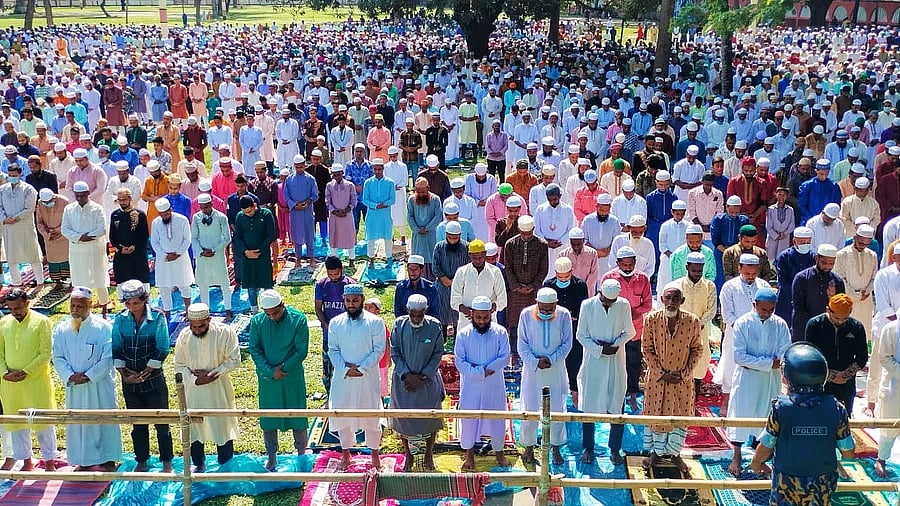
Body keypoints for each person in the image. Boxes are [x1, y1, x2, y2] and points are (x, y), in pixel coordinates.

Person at [749, 343, 855, 505]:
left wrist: (756, 463)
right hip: (822, 483)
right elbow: (848, 452)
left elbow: (766, 445)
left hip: (786, 483)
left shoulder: (781, 408)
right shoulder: (837, 408)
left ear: (787, 378)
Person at [51, 286, 121, 471]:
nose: (75, 310)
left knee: (103, 419)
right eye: (72, 306)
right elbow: (57, 357)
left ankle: (107, 459)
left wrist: (89, 376)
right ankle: (83, 459)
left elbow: (108, 357)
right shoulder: (62, 329)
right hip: (75, 386)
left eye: (80, 306)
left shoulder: (103, 328)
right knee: (79, 422)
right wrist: (69, 375)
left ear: (90, 305)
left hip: (98, 386)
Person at [726, 287, 791, 476]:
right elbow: (739, 357)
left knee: (767, 417)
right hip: (746, 380)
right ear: (754, 305)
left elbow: (784, 353)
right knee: (740, 415)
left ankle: (759, 458)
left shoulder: (779, 324)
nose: (767, 313)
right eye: (763, 309)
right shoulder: (742, 323)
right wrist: (770, 363)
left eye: (771, 310)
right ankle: (736, 457)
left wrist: (765, 364)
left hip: (770, 381)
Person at [112, 279, 174, 473]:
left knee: (162, 423)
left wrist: (147, 371)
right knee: (138, 424)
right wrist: (124, 374)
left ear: (144, 300)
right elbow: (116, 347)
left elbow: (163, 347)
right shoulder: (120, 319)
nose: (132, 307)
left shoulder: (157, 317)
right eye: (128, 304)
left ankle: (167, 461)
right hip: (130, 381)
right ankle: (141, 460)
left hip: (154, 379)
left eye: (136, 303)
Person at [641, 285, 702, 473]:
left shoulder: (692, 321)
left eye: (675, 299)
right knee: (655, 415)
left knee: (679, 416)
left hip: (681, 381)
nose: (671, 302)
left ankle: (675, 454)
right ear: (661, 299)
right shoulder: (651, 320)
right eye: (668, 298)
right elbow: (647, 349)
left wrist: (684, 374)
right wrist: (662, 373)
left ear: (681, 301)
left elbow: (697, 349)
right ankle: (655, 453)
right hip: (658, 380)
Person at [174, 303, 241, 472]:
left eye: (201, 326)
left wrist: (212, 375)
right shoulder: (184, 336)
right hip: (193, 391)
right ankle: (198, 463)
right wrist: (195, 380)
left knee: (221, 424)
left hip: (218, 388)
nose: (197, 329)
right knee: (194, 426)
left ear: (209, 319)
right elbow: (179, 365)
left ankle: (225, 464)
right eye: (193, 326)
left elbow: (234, 360)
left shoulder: (225, 332)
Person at [247, 289, 310, 471]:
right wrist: (270, 371)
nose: (273, 317)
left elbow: (301, 351)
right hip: (268, 380)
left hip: (291, 376)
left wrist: (283, 369)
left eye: (276, 312)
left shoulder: (298, 319)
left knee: (297, 416)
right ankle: (272, 456)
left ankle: (301, 454)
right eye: (269, 314)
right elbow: (255, 349)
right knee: (269, 418)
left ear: (283, 305)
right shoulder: (258, 322)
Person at [577, 279, 636, 465]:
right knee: (589, 405)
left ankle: (614, 448)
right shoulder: (587, 305)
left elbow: (630, 332)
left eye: (612, 301)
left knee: (617, 403)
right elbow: (581, 335)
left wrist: (615, 345)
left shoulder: (623, 305)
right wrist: (600, 349)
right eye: (605, 300)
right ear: (599, 293)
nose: (608, 304)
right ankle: (588, 447)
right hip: (593, 362)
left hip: (616, 361)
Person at [327, 283, 385, 470]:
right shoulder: (336, 323)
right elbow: (333, 350)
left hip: (367, 377)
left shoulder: (375, 322)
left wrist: (362, 368)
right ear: (344, 301)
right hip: (343, 378)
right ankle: (346, 454)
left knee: (371, 415)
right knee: (342, 414)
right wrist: (345, 370)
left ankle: (374, 455)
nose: (351, 304)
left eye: (355, 300)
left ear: (362, 300)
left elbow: (379, 350)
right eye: (348, 301)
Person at [0, 288, 57, 471]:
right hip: (10, 384)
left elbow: (45, 353)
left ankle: (49, 462)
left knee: (42, 422)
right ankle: (26, 461)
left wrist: (26, 371)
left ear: (27, 303)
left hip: (35, 381)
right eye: (11, 308)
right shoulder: (4, 323)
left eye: (18, 307)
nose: (15, 312)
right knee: (17, 424)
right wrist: (4, 373)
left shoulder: (42, 321)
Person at [388, 294, 446, 472]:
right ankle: (408, 455)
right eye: (412, 315)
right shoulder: (399, 325)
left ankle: (429, 453)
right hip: (403, 381)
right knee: (403, 419)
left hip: (427, 381)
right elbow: (395, 352)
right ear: (407, 311)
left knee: (431, 418)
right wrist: (406, 375)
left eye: (419, 315)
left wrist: (422, 377)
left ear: (425, 311)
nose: (415, 318)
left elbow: (438, 354)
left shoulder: (435, 326)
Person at [454, 295, 512, 471]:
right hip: (471, 385)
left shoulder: (500, 332)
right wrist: (480, 372)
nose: (481, 321)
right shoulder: (463, 334)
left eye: (485, 317)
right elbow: (459, 361)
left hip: (494, 384)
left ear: (490, 314)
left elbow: (504, 357)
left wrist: (488, 370)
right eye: (478, 317)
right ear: (471, 314)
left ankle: (499, 454)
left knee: (497, 418)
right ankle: (469, 456)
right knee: (470, 418)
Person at [517, 287, 572, 465]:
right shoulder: (526, 315)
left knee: (556, 409)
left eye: (550, 309)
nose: (547, 312)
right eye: (543, 309)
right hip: (533, 371)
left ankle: (555, 447)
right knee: (530, 408)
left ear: (556, 304)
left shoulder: (563, 315)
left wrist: (551, 359)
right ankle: (529, 447)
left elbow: (567, 343)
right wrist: (535, 362)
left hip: (555, 370)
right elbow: (522, 343)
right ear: (537, 303)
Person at [717, 254, 772, 417]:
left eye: (753, 274)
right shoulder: (729, 287)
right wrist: (743, 330)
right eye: (747, 274)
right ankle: (726, 402)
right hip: (735, 334)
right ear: (739, 269)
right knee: (730, 367)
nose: (750, 277)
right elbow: (727, 315)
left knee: (756, 368)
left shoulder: (764, 286)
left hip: (759, 334)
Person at [601, 246, 653, 413]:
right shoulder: (608, 278)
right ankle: (612, 395)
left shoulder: (643, 279)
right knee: (613, 364)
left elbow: (648, 304)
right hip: (614, 330)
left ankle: (631, 393)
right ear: (617, 263)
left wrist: (633, 312)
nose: (628, 267)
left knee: (633, 363)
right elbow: (603, 303)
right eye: (624, 264)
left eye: (631, 264)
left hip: (635, 330)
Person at [804, 294, 868, 412]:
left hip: (846, 383)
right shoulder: (815, 325)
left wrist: (845, 375)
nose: (840, 321)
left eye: (845, 318)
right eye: (837, 318)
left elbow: (862, 357)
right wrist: (831, 376)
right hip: (820, 382)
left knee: (843, 419)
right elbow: (810, 356)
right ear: (828, 310)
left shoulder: (856, 327)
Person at [666, 252, 717, 398]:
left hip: (700, 331)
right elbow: (671, 308)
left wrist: (697, 324)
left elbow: (711, 310)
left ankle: (692, 401)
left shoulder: (709, 286)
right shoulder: (676, 286)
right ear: (687, 267)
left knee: (700, 362)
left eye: (700, 270)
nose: (697, 273)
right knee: (678, 362)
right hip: (679, 331)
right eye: (694, 270)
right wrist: (683, 325)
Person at [61, 180, 111, 314]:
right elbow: (64, 229)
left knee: (99, 276)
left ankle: (104, 305)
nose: (79, 198)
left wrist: (88, 236)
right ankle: (82, 307)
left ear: (88, 193)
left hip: (94, 248)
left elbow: (102, 228)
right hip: (77, 249)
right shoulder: (69, 209)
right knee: (79, 277)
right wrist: (79, 237)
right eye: (77, 195)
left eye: (82, 195)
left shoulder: (97, 208)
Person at [503, 215, 549, 359]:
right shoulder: (510, 244)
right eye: (523, 233)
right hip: (515, 291)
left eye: (529, 233)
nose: (526, 236)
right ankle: (515, 355)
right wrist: (516, 286)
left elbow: (544, 269)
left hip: (533, 291)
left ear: (533, 229)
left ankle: (533, 353)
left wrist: (533, 286)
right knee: (514, 323)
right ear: (518, 229)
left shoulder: (541, 244)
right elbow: (508, 267)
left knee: (533, 321)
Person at [0, 164, 44, 288]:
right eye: (10, 175)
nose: (12, 177)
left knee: (33, 255)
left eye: (15, 175)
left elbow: (29, 208)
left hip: (25, 226)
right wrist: (4, 218)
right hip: (9, 228)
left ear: (20, 175)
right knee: (11, 257)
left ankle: (40, 281)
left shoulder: (29, 189)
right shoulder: (2, 189)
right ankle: (17, 283)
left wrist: (16, 218)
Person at [791, 244, 846, 342]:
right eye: (824, 263)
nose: (827, 267)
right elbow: (799, 308)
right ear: (816, 258)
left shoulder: (837, 281)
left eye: (831, 264)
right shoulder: (802, 278)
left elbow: (840, 308)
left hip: (827, 330)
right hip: (804, 329)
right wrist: (813, 325)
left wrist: (832, 298)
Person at [191, 193, 233, 319]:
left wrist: (214, 250)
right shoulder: (196, 218)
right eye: (201, 207)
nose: (204, 210)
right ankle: (205, 310)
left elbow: (227, 238)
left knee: (224, 282)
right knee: (203, 282)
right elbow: (194, 237)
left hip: (217, 254)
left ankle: (228, 309)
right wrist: (200, 251)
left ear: (211, 204)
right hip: (202, 256)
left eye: (206, 207)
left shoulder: (221, 217)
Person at [150, 198, 194, 318]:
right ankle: (167, 312)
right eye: (162, 214)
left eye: (167, 213)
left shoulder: (182, 220)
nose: (165, 216)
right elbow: (154, 242)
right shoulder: (156, 223)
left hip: (180, 258)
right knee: (164, 286)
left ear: (171, 209)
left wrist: (177, 253)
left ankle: (188, 310)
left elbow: (187, 239)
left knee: (184, 284)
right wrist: (165, 255)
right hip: (163, 259)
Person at [833, 224, 878, 341]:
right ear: (855, 238)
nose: (863, 246)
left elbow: (874, 277)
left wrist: (866, 292)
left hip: (866, 299)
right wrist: (854, 295)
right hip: (847, 299)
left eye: (866, 244)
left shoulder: (872, 255)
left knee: (865, 327)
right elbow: (839, 278)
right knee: (847, 329)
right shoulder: (842, 255)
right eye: (861, 243)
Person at [870, 307, 900, 478]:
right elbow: (884, 358)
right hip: (894, 386)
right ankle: (881, 459)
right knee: (889, 426)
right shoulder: (891, 329)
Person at [233, 195, 277, 313]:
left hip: (263, 255)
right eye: (245, 212)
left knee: (266, 284)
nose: (248, 214)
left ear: (254, 206)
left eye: (250, 211)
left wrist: (259, 250)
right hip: (247, 257)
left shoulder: (266, 214)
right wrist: (246, 251)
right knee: (251, 285)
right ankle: (254, 310)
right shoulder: (240, 217)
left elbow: (271, 235)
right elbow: (237, 237)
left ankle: (270, 309)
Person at [773, 226, 815, 326]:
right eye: (802, 242)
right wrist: (797, 293)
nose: (805, 245)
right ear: (794, 241)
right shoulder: (784, 257)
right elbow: (783, 281)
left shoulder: (813, 257)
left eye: (807, 242)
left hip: (807, 301)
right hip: (787, 299)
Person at [432, 222, 470, 329]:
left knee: (458, 316)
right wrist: (444, 279)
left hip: (461, 287)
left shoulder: (466, 247)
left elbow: (469, 267)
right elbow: (435, 266)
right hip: (442, 286)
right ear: (446, 235)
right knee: (442, 314)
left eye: (455, 238)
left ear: (460, 235)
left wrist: (455, 281)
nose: (452, 241)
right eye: (450, 237)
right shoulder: (439, 247)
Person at [284, 154, 319, 267]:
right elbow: (286, 195)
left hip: (307, 211)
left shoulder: (310, 179)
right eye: (297, 167)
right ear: (294, 166)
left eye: (301, 167)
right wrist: (294, 205)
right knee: (296, 235)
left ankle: (312, 258)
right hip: (295, 212)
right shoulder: (289, 179)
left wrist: (307, 202)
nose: (299, 169)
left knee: (309, 234)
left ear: (304, 165)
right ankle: (298, 259)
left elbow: (315, 195)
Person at [362, 158, 395, 266]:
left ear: (383, 169)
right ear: (372, 169)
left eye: (379, 169)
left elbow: (392, 199)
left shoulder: (390, 182)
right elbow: (365, 199)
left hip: (385, 215)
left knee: (387, 238)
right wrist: (376, 205)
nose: (377, 172)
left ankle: (389, 258)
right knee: (371, 238)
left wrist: (384, 204)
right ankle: (371, 259)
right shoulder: (368, 183)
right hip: (372, 215)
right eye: (375, 169)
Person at [36, 188, 70, 290]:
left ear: (54, 198)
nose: (47, 204)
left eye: (49, 202)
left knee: (67, 258)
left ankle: (72, 282)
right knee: (53, 260)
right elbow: (39, 222)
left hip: (64, 235)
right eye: (45, 202)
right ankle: (58, 282)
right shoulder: (40, 203)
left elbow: (70, 218)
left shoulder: (64, 201)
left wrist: (60, 230)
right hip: (50, 237)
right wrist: (46, 234)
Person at [394, 254, 440, 319]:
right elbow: (398, 312)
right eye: (410, 269)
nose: (412, 272)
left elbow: (434, 312)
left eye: (415, 269)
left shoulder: (431, 288)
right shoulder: (401, 287)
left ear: (421, 271)